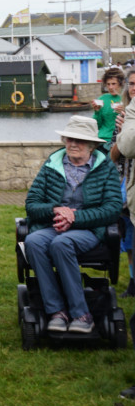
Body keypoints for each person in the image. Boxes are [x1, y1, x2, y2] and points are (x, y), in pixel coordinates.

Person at [24, 115, 123, 334]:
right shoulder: (53, 164)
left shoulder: (105, 167)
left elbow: (113, 208)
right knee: (33, 241)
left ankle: (81, 314)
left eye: (79, 140)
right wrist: (55, 210)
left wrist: (76, 218)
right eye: (69, 138)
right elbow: (31, 204)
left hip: (88, 230)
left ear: (92, 145)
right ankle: (56, 311)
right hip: (53, 226)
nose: (73, 144)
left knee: (62, 243)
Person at [110, 68, 135, 297]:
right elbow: (112, 156)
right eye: (132, 83)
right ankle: (132, 282)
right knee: (128, 236)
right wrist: (121, 132)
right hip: (124, 184)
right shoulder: (124, 116)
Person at [94, 67, 124, 153]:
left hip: (120, 141)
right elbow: (97, 125)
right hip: (102, 140)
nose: (111, 87)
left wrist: (124, 111)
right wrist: (97, 112)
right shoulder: (102, 99)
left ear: (121, 83)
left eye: (114, 84)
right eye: (108, 84)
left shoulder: (127, 98)